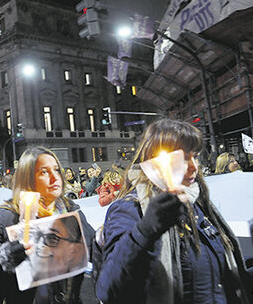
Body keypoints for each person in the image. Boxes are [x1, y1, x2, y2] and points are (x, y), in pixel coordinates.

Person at [96, 119, 252, 304]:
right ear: (156, 161)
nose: (194, 167)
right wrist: (145, 231)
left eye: (195, 156)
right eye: (184, 158)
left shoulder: (199, 205)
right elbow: (109, 289)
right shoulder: (131, 209)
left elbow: (221, 281)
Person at [0, 146, 94, 304]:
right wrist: (1, 260)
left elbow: (97, 253)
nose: (55, 178)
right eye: (44, 172)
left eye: (56, 170)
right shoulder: (5, 218)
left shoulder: (71, 213)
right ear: (27, 179)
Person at [27, 214, 87, 282]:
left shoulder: (70, 211)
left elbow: (89, 245)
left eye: (51, 238)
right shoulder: (18, 216)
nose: (40, 244)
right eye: (37, 236)